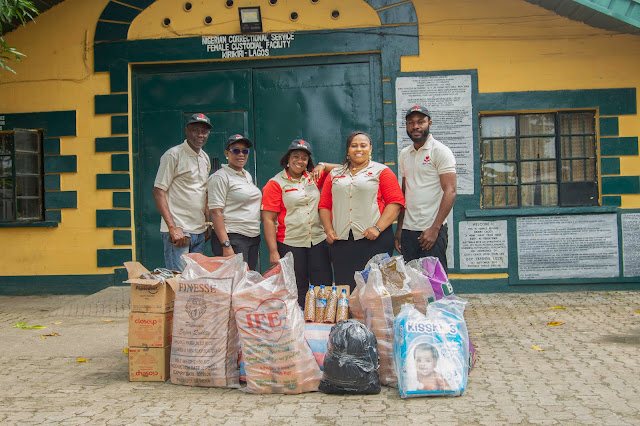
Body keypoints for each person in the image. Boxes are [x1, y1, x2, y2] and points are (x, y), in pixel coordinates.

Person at [319, 131, 405, 290]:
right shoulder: (335, 174)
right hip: (341, 241)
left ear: (370, 149)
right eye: (354, 145)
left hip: (374, 239)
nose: (358, 149)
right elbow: (324, 205)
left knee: (375, 289)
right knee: (346, 287)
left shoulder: (382, 171)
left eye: (363, 145)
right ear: (348, 150)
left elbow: (395, 203)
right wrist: (329, 230)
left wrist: (377, 228)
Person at [261, 139, 338, 307]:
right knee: (297, 288)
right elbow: (268, 219)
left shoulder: (313, 178)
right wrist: (273, 252)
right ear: (288, 159)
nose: (300, 161)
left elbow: (343, 170)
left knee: (323, 285)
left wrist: (323, 165)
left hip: (317, 241)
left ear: (308, 161)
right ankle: (300, 321)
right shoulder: (276, 183)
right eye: (295, 156)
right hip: (290, 243)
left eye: (304, 158)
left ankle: (320, 319)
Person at [395, 105, 457, 271]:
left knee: (434, 281)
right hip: (408, 230)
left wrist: (435, 229)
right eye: (411, 122)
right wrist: (400, 228)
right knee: (412, 282)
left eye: (420, 122)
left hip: (431, 229)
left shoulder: (440, 151)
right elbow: (404, 192)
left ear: (429, 123)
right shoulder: (404, 154)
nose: (415, 126)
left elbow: (450, 190)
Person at [152, 113, 212, 271]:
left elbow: (203, 192)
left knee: (194, 279)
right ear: (187, 131)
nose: (200, 135)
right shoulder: (173, 155)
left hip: (199, 231)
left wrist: (207, 223)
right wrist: (172, 228)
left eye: (204, 132)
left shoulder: (205, 158)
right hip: (180, 231)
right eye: (195, 130)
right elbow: (158, 191)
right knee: (179, 281)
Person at [208, 134, 262, 270]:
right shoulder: (220, 177)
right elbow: (215, 212)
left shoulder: (246, 175)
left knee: (247, 279)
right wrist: (226, 245)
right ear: (227, 153)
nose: (241, 154)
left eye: (245, 151)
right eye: (236, 150)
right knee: (234, 280)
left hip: (252, 237)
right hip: (233, 237)